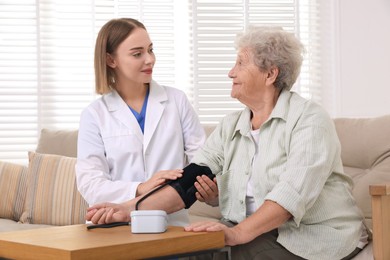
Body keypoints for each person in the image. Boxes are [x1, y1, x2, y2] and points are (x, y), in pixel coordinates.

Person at [85, 26, 368, 260]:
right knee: (186, 252)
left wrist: (236, 233)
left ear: (270, 74)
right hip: (253, 231)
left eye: (240, 64)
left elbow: (289, 197)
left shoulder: (309, 120)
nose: (230, 73)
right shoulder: (232, 124)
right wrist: (129, 208)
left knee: (225, 252)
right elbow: (188, 182)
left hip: (313, 237)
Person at [75, 18, 206, 226]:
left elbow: (201, 163)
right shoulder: (94, 114)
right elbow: (90, 183)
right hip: (115, 227)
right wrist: (140, 188)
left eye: (150, 50)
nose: (150, 59)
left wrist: (209, 188)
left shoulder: (176, 101)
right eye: (137, 54)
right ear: (111, 60)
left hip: (170, 223)